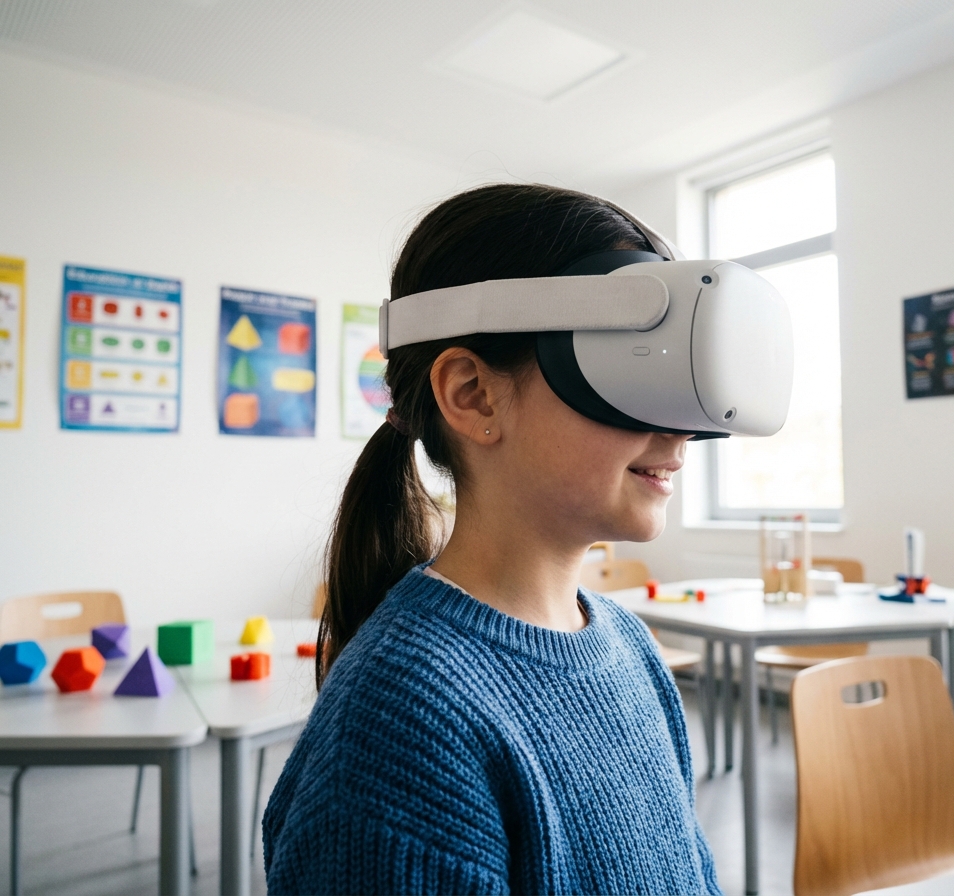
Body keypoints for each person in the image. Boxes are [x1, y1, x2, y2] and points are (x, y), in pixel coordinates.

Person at [262, 183, 720, 895]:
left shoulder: (629, 645)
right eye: (631, 369)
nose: (680, 429)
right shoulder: (403, 726)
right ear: (472, 394)